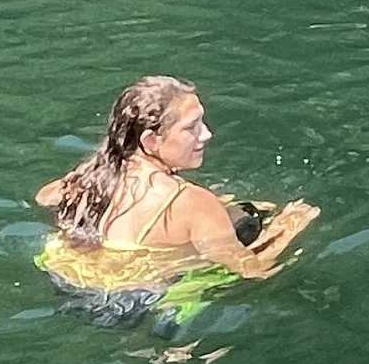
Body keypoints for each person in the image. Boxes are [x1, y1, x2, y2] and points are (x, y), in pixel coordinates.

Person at [32, 76, 319, 334]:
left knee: (232, 214)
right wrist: (287, 229)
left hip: (66, 282)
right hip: (137, 303)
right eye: (191, 127)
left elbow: (45, 197)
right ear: (151, 140)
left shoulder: (90, 177)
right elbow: (252, 272)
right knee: (241, 236)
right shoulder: (193, 202)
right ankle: (179, 342)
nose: (206, 134)